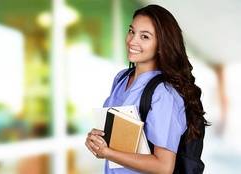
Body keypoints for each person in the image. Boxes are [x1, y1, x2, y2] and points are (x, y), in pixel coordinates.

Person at [85, 4, 208, 174]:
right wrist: (98, 141)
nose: (132, 40)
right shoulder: (121, 78)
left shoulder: (164, 94)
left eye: (145, 36)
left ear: (161, 45)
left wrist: (108, 153)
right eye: (131, 31)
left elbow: (163, 166)